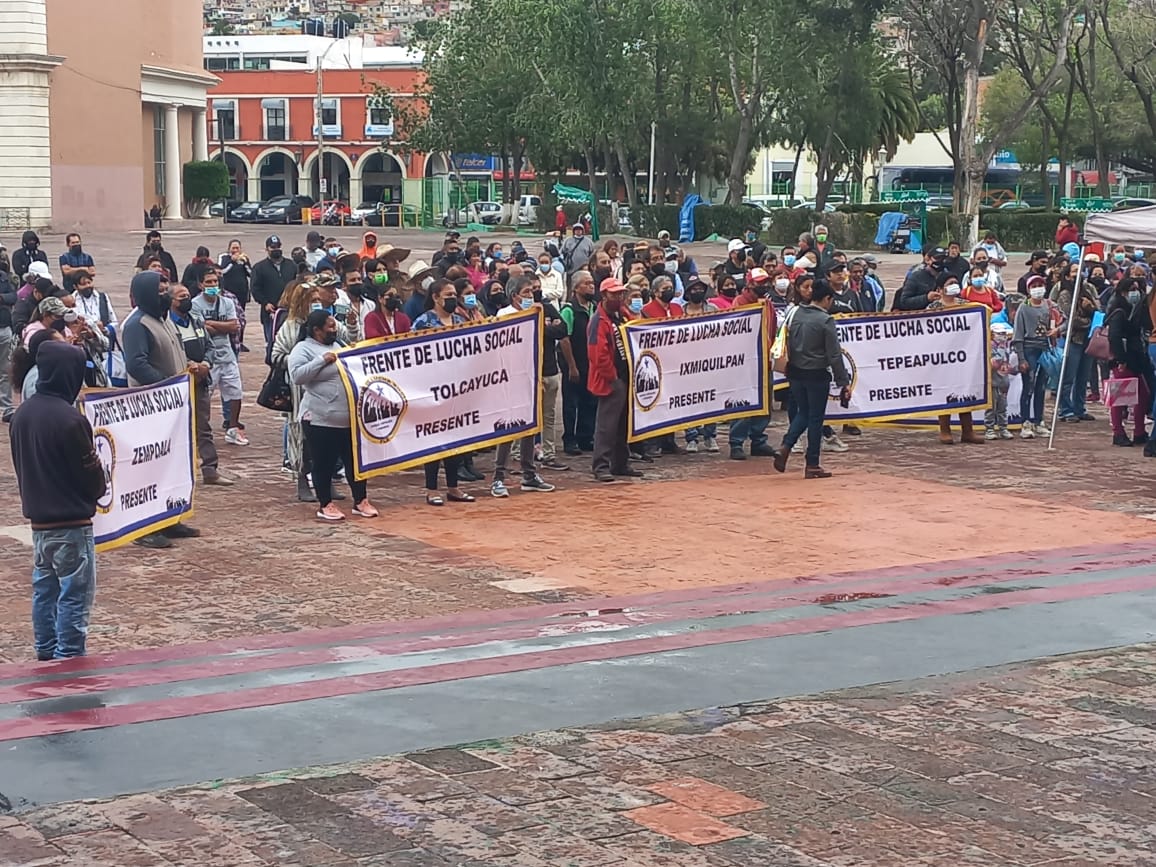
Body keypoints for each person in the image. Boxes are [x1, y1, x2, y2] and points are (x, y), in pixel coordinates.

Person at [9, 340, 106, 660]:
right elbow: (90, 474)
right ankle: (69, 657)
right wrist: (99, 486)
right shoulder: (70, 419)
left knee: (44, 590)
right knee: (74, 596)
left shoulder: (21, 415)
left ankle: (46, 650)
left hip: (39, 522)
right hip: (72, 522)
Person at [121, 271, 202, 548]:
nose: (166, 294)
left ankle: (168, 518)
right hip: (150, 406)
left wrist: (187, 367)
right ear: (145, 294)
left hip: (172, 405)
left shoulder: (163, 319)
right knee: (149, 467)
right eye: (160, 290)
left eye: (167, 288)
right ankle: (144, 527)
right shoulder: (137, 324)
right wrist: (167, 385)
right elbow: (136, 364)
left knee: (171, 462)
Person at [287, 310, 378, 521]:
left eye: (334, 325)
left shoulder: (337, 345)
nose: (334, 329)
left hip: (348, 418)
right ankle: (325, 503)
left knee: (355, 462)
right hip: (320, 418)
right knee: (324, 463)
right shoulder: (303, 349)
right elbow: (297, 376)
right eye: (329, 327)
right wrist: (321, 360)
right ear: (316, 330)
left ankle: (360, 500)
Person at [771, 280, 850, 479]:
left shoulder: (794, 313)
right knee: (816, 418)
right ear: (827, 299)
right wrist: (843, 381)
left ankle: (786, 445)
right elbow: (834, 355)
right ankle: (812, 463)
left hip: (795, 371)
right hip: (816, 373)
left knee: (802, 413)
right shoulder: (825, 320)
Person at [169, 284, 232, 486]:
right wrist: (189, 365)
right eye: (181, 297)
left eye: (188, 296)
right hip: (179, 383)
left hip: (201, 381)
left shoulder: (196, 321)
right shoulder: (169, 325)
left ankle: (210, 469)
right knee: (177, 428)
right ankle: (178, 472)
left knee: (203, 427)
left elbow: (209, 346)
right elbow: (172, 351)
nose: (186, 300)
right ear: (171, 301)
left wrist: (205, 363)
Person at [587, 278, 642, 482]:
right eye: (614, 294)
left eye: (620, 293)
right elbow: (597, 354)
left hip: (626, 376)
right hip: (611, 379)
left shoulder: (621, 315)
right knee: (607, 425)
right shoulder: (599, 321)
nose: (618, 297)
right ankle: (600, 465)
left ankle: (620, 463)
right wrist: (613, 378)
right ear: (604, 296)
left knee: (623, 424)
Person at [192, 268, 247, 446]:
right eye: (208, 282)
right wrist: (222, 326)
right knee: (205, 395)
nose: (213, 285)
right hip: (208, 356)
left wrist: (213, 324)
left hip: (227, 354)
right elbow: (201, 328)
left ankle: (233, 429)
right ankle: (201, 431)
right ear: (201, 284)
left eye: (215, 282)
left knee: (235, 392)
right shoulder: (195, 304)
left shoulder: (227, 302)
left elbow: (234, 325)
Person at [928, 274, 985, 445]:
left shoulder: (965, 305)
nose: (954, 285)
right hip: (942, 357)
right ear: (940, 288)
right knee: (945, 392)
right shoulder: (933, 307)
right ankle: (945, 430)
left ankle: (968, 430)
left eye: (955, 282)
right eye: (950, 283)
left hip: (963, 357)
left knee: (964, 391)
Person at [1107, 277, 1156, 448]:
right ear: (1123, 291)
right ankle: (1118, 432)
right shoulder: (1119, 311)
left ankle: (1139, 431)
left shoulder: (1135, 309)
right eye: (1132, 289)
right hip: (1123, 359)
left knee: (1142, 395)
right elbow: (1114, 336)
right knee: (1119, 397)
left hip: (1136, 358)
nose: (1136, 293)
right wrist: (1120, 359)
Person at [1053, 262, 1100, 424]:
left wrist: (1090, 307)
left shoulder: (1087, 291)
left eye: (1079, 271)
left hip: (1088, 340)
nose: (1077, 274)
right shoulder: (1065, 294)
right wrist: (1088, 321)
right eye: (1074, 271)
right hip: (1072, 339)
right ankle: (1065, 410)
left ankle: (1080, 408)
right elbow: (1070, 318)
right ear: (1067, 276)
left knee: (1083, 377)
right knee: (1068, 376)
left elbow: (1098, 310)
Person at [1013, 275, 1057, 440]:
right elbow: (1018, 335)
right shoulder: (1023, 308)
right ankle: (1025, 421)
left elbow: (1066, 319)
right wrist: (1021, 358)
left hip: (1045, 349)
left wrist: (1057, 330)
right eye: (1034, 286)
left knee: (1041, 387)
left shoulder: (1050, 305)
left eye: (1040, 285)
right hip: (1029, 349)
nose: (1038, 288)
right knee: (1028, 387)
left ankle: (1039, 421)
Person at [251, 235, 297, 345]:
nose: (276, 249)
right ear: (267, 249)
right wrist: (265, 302)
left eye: (278, 246)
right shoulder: (259, 267)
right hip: (270, 311)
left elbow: (297, 284)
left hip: (290, 310)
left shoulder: (291, 265)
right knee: (272, 341)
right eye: (272, 247)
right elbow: (255, 288)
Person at [218, 239, 252, 351]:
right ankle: (229, 340)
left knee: (241, 317)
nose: (236, 250)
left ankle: (240, 341)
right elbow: (222, 271)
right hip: (228, 293)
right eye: (233, 248)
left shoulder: (243, 259)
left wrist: (246, 263)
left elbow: (251, 274)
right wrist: (232, 262)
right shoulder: (224, 257)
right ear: (229, 249)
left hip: (241, 292)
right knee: (229, 317)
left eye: (238, 248)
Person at [986, 322, 1016, 440]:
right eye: (1000, 334)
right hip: (993, 382)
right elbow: (993, 363)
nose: (1003, 336)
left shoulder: (1006, 348)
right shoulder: (990, 348)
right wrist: (1000, 353)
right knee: (991, 407)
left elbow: (1008, 365)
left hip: (1004, 382)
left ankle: (1003, 428)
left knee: (1003, 407)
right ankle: (989, 428)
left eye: (1004, 334)